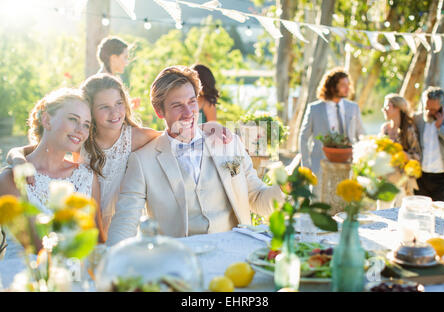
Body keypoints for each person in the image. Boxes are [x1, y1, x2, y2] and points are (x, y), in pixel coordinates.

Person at [7, 74, 232, 236]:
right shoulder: (81, 140)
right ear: (91, 112)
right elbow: (37, 150)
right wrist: (16, 157)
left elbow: (174, 132)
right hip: (87, 227)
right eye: (104, 107)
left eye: (118, 104)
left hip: (122, 227)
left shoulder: (134, 138)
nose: (114, 112)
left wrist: (208, 127)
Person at [107, 66, 284, 246]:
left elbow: (258, 199)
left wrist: (286, 189)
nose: (188, 112)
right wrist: (111, 261)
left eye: (192, 102)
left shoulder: (228, 143)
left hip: (235, 255)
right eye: (177, 105)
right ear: (159, 111)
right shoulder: (143, 161)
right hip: (181, 263)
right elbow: (125, 221)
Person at [0, 88, 106, 243]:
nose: (80, 130)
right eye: (72, 119)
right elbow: (35, 247)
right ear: (46, 120)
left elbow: (97, 242)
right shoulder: (11, 178)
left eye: (86, 125)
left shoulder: (87, 177)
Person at [299, 67, 365, 188]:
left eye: (348, 84)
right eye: (343, 85)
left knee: (344, 203)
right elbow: (303, 138)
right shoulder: (315, 109)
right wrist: (306, 166)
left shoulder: (353, 107)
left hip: (348, 164)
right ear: (331, 86)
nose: (347, 88)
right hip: (319, 166)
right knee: (318, 202)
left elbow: (361, 134)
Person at [378, 94, 421, 209]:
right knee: (381, 214)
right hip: (385, 180)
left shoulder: (409, 129)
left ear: (397, 108)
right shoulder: (385, 128)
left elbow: (417, 156)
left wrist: (404, 155)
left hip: (403, 182)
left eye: (387, 106)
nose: (383, 109)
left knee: (401, 216)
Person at [413, 86, 444, 202]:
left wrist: (440, 127)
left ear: (442, 106)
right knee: (420, 213)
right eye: (427, 108)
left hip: (442, 178)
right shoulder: (418, 118)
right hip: (421, 177)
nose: (429, 112)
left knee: (440, 216)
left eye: (433, 109)